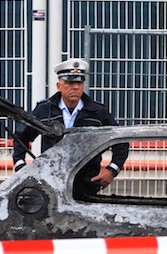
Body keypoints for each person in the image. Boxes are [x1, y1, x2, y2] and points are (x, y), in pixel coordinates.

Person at [12, 58, 128, 196]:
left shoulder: (97, 112)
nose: (75, 87)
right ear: (58, 85)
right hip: (51, 182)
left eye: (79, 82)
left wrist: (112, 170)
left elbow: (120, 141)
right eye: (70, 82)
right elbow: (21, 137)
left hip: (86, 184)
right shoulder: (44, 110)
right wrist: (20, 167)